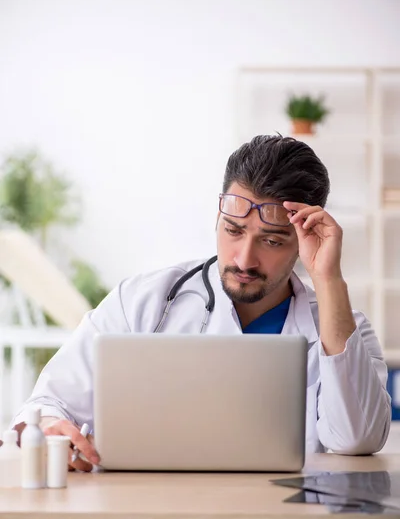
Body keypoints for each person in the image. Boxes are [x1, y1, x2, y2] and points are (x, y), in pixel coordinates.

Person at [11, 135, 391, 471]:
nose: (244, 259)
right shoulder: (143, 300)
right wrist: (48, 426)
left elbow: (356, 440)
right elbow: (48, 402)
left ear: (304, 241)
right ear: (218, 218)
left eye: (273, 241)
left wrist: (328, 278)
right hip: (146, 515)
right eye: (233, 230)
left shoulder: (343, 329)